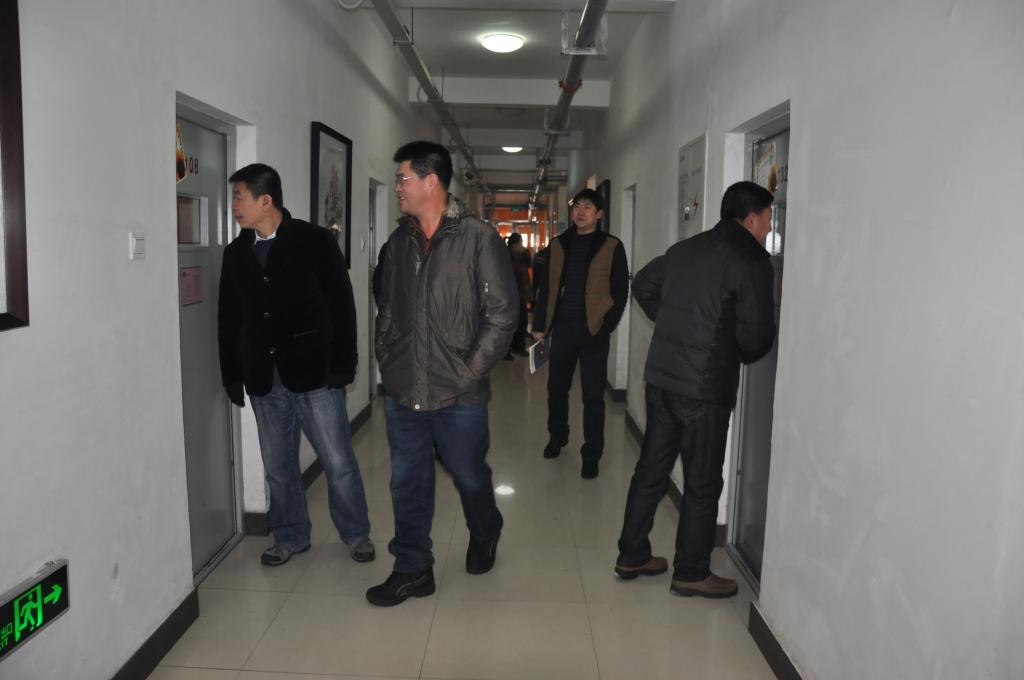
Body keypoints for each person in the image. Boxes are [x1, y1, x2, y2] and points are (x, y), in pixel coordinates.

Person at [367, 141, 518, 607]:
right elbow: (387, 305)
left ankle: (486, 528)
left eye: (402, 179)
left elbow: (503, 315)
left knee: (468, 474)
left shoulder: (478, 238)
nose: (397, 187)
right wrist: (387, 355)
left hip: (460, 394)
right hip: (404, 386)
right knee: (407, 481)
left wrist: (469, 372)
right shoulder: (399, 242)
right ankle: (412, 568)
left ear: (430, 181)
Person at [615, 181, 777, 598]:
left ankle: (632, 553)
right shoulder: (752, 260)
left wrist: (674, 322)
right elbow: (756, 337)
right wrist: (726, 345)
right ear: (752, 218)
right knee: (702, 481)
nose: (768, 228)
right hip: (704, 387)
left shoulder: (686, 249)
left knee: (652, 469)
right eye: (767, 219)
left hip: (662, 378)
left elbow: (643, 284)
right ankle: (690, 571)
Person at [217, 163, 374, 567]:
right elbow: (228, 318)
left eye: (239, 197)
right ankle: (290, 536)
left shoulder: (315, 241)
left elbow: (341, 305)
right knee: (278, 466)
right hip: (263, 379)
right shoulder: (236, 253)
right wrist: (232, 374)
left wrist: (344, 364)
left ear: (266, 200)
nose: (234, 206)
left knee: (337, 461)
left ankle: (356, 533)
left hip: (315, 375)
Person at [531, 188, 629, 479]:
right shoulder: (559, 244)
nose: (580, 212)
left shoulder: (612, 246)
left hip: (593, 330)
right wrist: (540, 324)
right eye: (577, 207)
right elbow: (547, 287)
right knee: (556, 389)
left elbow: (620, 290)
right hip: (562, 328)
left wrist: (606, 326)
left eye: (587, 207)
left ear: (599, 215)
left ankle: (592, 454)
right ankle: (557, 436)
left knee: (593, 396)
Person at [505, 232, 533, 359]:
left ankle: (518, 346)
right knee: (514, 324)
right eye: (520, 243)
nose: (522, 246)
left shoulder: (522, 258)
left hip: (521, 297)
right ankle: (510, 348)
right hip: (512, 298)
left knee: (522, 323)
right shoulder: (508, 259)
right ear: (514, 245)